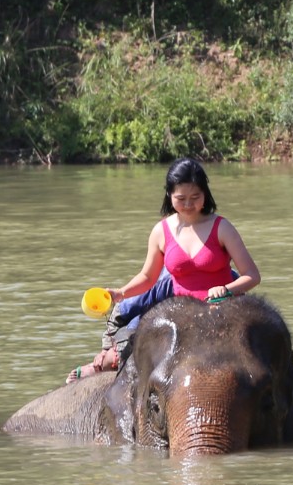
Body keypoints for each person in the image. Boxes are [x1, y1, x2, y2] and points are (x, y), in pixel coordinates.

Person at [67, 156, 262, 382]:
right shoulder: (161, 231)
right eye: (181, 198)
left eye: (195, 197)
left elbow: (252, 275)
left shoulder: (222, 228)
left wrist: (226, 289)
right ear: (169, 196)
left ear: (205, 195)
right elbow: (148, 277)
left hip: (220, 310)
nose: (188, 204)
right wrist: (120, 293)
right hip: (179, 314)